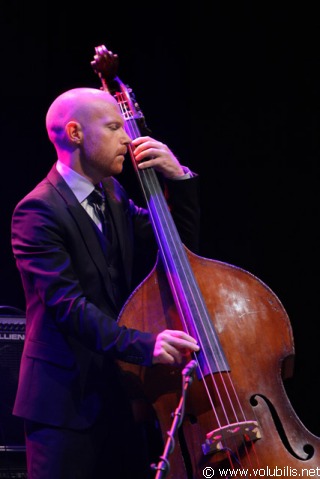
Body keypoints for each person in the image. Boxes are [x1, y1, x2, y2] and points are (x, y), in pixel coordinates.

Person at [11, 87, 201, 479]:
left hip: (121, 395)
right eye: (114, 127)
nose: (127, 138)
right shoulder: (37, 212)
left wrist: (177, 179)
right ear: (76, 133)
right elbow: (69, 307)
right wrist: (147, 344)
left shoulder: (112, 193)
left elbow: (172, 247)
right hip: (65, 405)